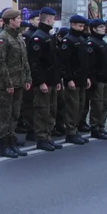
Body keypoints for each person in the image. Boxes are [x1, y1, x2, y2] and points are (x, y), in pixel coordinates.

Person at [0, 9, 31, 158]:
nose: (20, 20)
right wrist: (8, 83)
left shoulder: (19, 37)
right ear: (10, 21)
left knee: (14, 114)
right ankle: (4, 146)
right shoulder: (2, 38)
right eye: (18, 18)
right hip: (5, 84)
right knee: (4, 114)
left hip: (19, 82)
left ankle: (12, 142)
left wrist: (28, 79)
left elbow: (24, 61)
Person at [26, 8, 64, 152]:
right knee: (42, 110)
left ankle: (48, 136)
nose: (54, 21)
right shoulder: (38, 37)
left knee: (51, 110)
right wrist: (41, 82)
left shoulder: (48, 36)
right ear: (48, 19)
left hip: (52, 81)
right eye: (53, 19)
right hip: (44, 82)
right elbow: (34, 63)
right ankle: (41, 138)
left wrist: (57, 80)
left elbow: (54, 62)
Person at [58, 15, 90, 145]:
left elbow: (84, 62)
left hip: (81, 78)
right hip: (73, 79)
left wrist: (87, 77)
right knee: (72, 106)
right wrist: (68, 79)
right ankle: (70, 132)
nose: (82, 28)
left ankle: (75, 129)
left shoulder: (81, 39)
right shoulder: (68, 40)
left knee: (80, 105)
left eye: (83, 26)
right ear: (72, 25)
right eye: (79, 26)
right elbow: (64, 63)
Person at [86, 19, 107, 140]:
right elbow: (90, 65)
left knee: (105, 104)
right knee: (97, 105)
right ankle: (95, 128)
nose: (104, 29)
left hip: (105, 78)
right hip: (97, 80)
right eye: (101, 27)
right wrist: (93, 79)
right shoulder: (92, 43)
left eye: (104, 27)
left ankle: (101, 126)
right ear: (94, 29)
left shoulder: (102, 42)